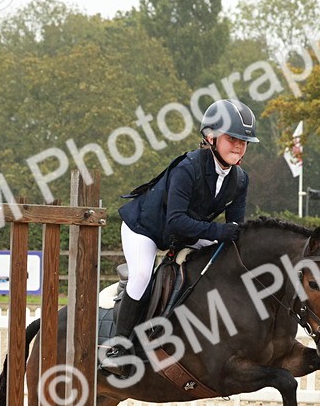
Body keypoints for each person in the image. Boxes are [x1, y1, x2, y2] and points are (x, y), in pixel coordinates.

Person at [101, 98, 256, 374]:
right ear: (211, 137)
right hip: (145, 229)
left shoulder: (240, 179)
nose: (239, 145)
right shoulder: (189, 167)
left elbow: (234, 229)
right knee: (141, 275)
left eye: (243, 141)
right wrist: (221, 232)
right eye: (232, 138)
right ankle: (119, 347)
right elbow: (176, 222)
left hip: (183, 232)